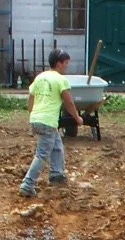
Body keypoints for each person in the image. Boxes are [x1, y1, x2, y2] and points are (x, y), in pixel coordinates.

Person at [21, 50, 80, 197]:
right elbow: (69, 102)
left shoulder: (40, 77)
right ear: (59, 63)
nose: (66, 66)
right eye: (66, 63)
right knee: (42, 154)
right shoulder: (60, 80)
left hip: (37, 119)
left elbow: (31, 99)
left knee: (57, 144)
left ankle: (56, 174)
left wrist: (32, 115)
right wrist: (77, 118)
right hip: (48, 121)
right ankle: (27, 184)